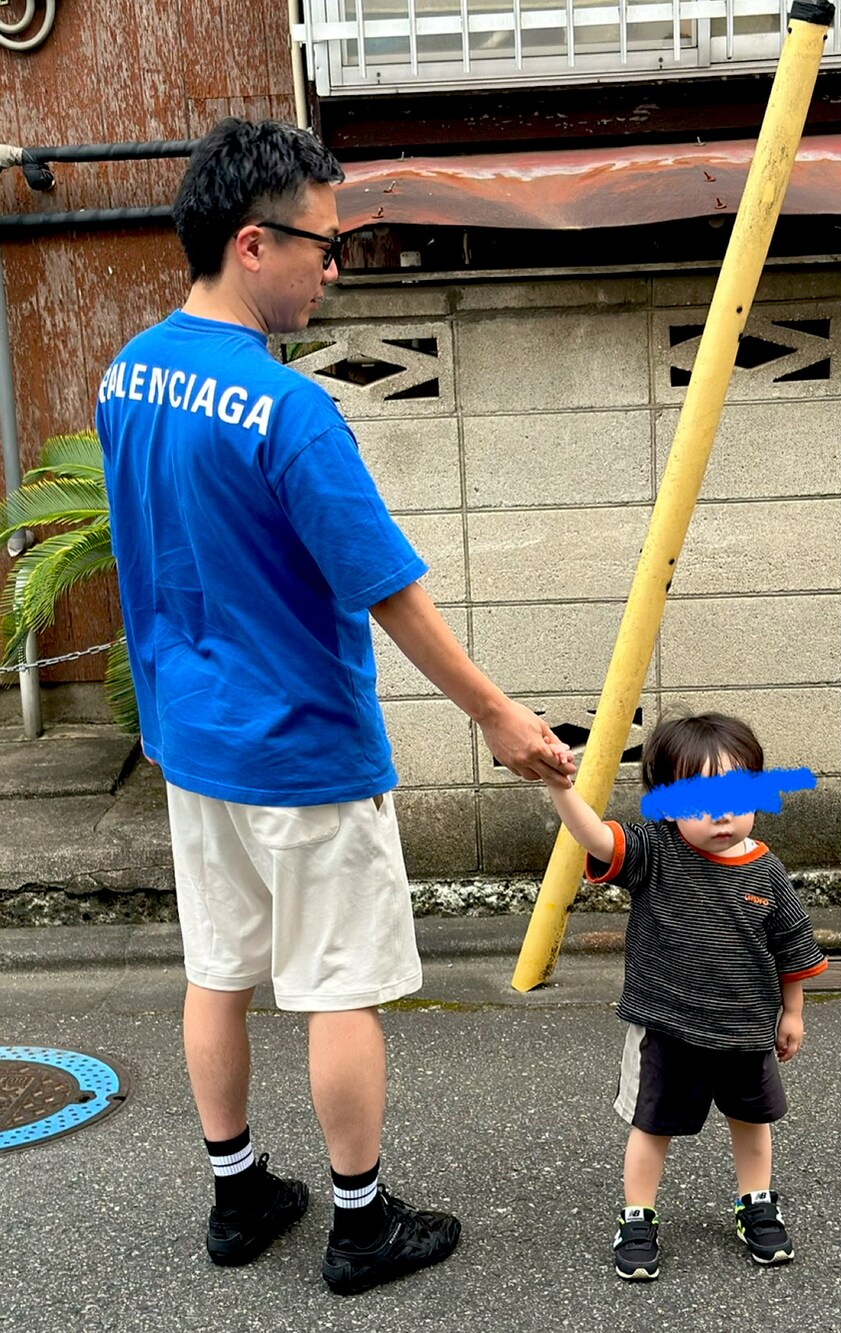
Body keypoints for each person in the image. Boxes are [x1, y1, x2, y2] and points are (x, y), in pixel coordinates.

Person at [94, 117, 574, 1298]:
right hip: (302, 745)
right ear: (253, 243)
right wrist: (501, 720)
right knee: (337, 985)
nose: (337, 265)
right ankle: (361, 1224)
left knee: (220, 966)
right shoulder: (288, 409)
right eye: (325, 242)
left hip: (192, 738)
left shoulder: (125, 371)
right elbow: (387, 589)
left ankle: (238, 1190)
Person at [541, 712, 827, 1278]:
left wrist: (792, 1011)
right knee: (652, 1124)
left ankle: (757, 1204)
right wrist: (560, 789)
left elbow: (793, 946)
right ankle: (638, 1214)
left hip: (747, 1030)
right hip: (666, 1028)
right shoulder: (655, 851)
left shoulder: (767, 872)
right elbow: (597, 837)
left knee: (753, 1121)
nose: (720, 814)